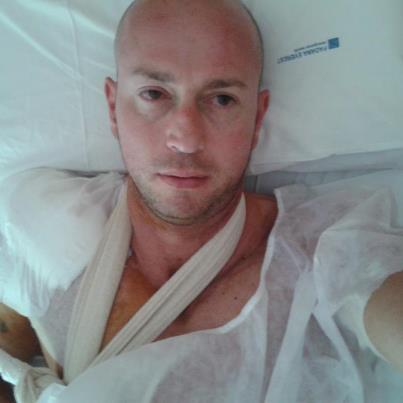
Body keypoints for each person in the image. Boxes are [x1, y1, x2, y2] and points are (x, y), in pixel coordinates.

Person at [1, 0, 402, 402]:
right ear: (113, 107)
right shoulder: (41, 227)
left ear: (257, 118)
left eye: (222, 99)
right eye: (155, 93)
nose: (186, 139)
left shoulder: (322, 250)